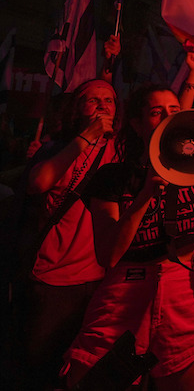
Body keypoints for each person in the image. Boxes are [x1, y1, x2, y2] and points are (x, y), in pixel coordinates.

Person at [64, 28, 194, 390]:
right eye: (156, 112)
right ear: (137, 125)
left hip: (183, 296)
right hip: (122, 298)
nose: (167, 116)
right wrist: (144, 196)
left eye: (173, 110)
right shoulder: (114, 178)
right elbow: (108, 254)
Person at [20, 79, 120, 390]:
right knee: (43, 370)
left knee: (86, 372)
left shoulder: (123, 151)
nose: (102, 105)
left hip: (102, 280)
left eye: (109, 100)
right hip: (55, 280)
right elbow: (37, 183)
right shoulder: (57, 148)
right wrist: (86, 137)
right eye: (93, 100)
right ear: (77, 109)